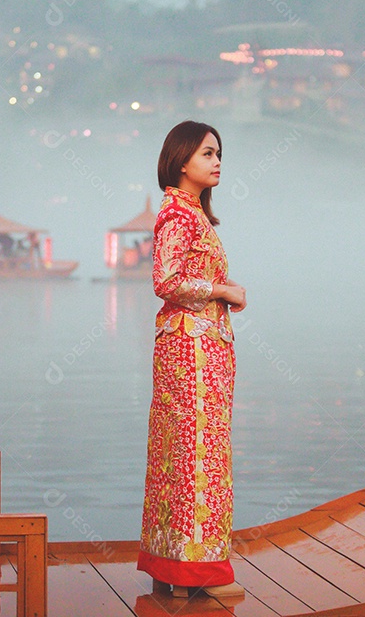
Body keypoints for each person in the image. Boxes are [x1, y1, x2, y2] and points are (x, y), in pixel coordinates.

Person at [137, 120, 247, 600]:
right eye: (207, 153)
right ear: (182, 160)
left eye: (218, 153)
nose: (217, 161)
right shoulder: (178, 215)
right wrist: (222, 289)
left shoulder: (191, 214)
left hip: (200, 349)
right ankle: (193, 573)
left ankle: (175, 568)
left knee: (186, 452)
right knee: (193, 453)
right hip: (192, 354)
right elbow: (165, 281)